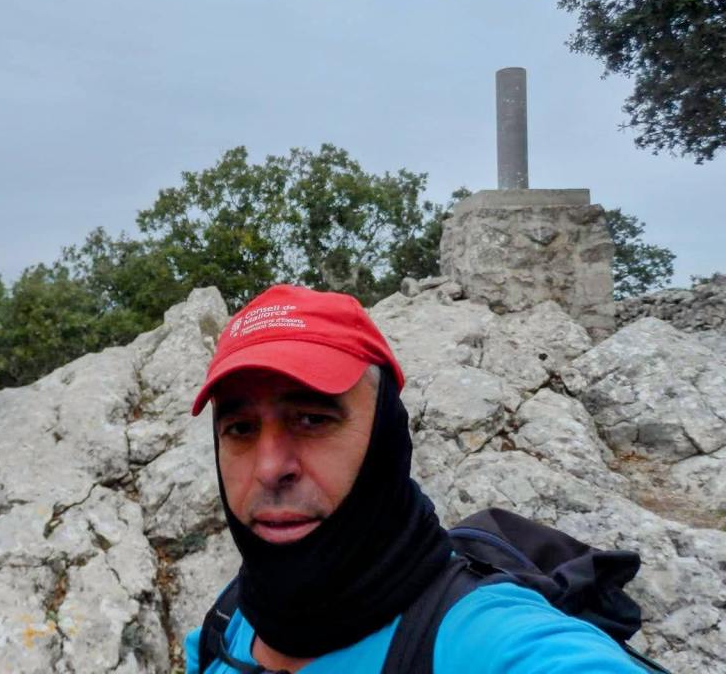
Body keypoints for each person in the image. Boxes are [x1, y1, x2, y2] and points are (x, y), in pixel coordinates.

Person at [183, 284, 644, 673]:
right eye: (240, 429)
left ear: (386, 436)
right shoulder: (224, 626)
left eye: (312, 419)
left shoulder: (487, 638)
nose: (269, 468)